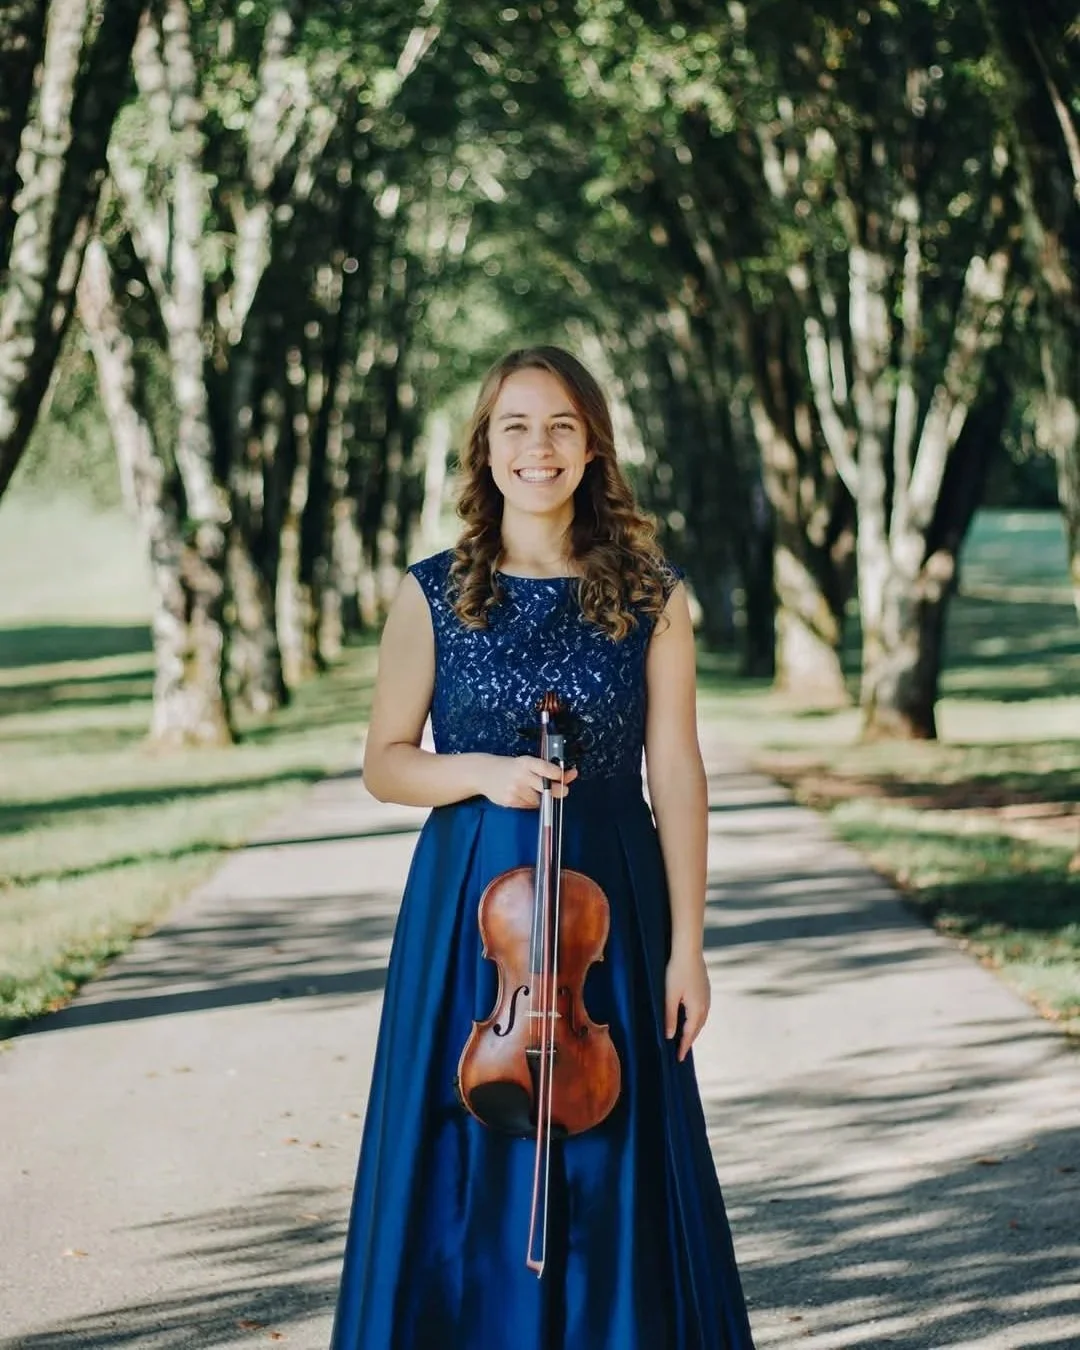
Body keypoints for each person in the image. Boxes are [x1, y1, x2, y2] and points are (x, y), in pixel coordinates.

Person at [329, 346, 756, 1350]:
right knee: (467, 1140)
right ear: (485, 450)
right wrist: (481, 772)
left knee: (613, 1145)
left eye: (562, 425)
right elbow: (387, 764)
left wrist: (688, 944)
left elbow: (678, 772)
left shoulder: (653, 595)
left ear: (593, 446)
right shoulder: (430, 594)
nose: (540, 446)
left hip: (611, 905)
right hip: (472, 914)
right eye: (516, 426)